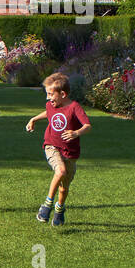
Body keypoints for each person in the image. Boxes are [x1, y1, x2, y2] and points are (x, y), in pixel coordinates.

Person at [25, 73, 92, 227]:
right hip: (52, 146)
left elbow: (87, 126)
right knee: (60, 171)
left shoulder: (74, 107)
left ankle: (59, 209)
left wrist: (76, 133)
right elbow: (48, 113)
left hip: (70, 152)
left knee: (64, 188)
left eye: (50, 94)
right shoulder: (50, 105)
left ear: (63, 94)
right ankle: (47, 205)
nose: (48, 98)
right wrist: (33, 119)